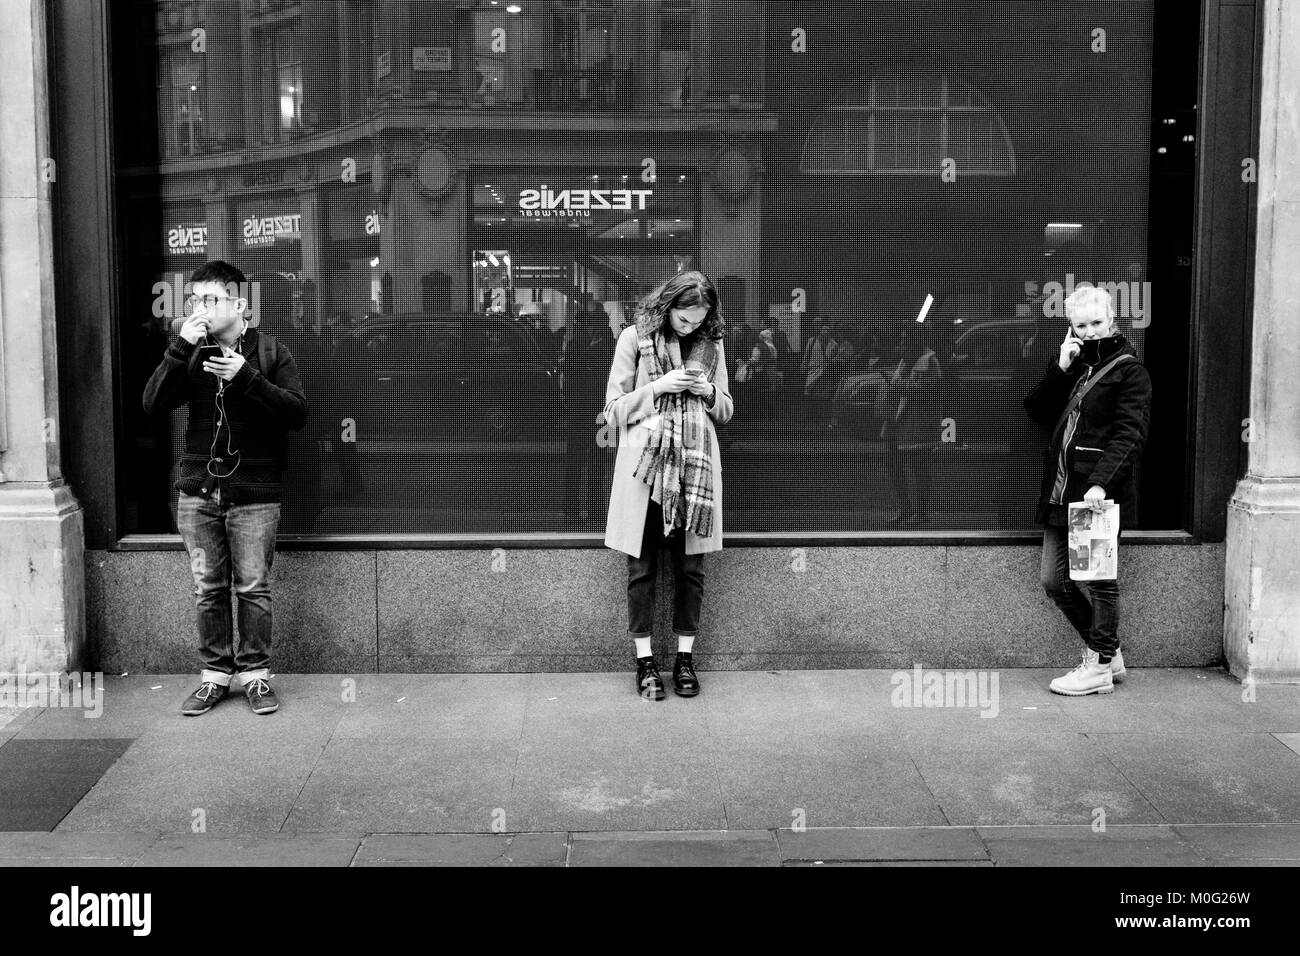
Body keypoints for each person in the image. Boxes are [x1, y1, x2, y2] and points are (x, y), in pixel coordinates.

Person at [142, 260, 308, 716]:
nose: (200, 308)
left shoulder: (271, 353)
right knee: (208, 588)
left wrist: (245, 376)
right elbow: (152, 404)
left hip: (255, 494)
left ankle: (255, 676)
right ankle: (214, 676)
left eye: (210, 300)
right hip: (199, 492)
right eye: (194, 300)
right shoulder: (190, 352)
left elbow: (297, 414)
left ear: (239, 304)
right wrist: (180, 348)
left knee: (253, 587)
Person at [602, 270, 733, 700]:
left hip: (694, 476)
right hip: (647, 473)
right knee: (642, 569)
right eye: (683, 318)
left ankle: (683, 659)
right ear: (668, 305)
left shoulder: (711, 346)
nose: (690, 326)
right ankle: (644, 663)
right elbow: (613, 410)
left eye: (698, 320)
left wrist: (708, 391)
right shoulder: (633, 340)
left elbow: (726, 409)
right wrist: (659, 387)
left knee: (690, 570)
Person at [1023, 284, 1152, 696]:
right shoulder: (1076, 364)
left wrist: (1100, 482)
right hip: (1062, 493)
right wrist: (1060, 368)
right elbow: (1037, 411)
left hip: (1095, 497)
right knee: (1053, 581)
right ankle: (1107, 652)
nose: (1091, 331)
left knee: (1099, 581)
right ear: (1071, 327)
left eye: (1097, 322)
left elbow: (1129, 435)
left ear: (1112, 320)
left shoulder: (1130, 370)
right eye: (1082, 325)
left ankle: (1098, 666)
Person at [884, 326, 943, 525]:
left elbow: (924, 392)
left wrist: (896, 383)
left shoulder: (930, 362)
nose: (901, 344)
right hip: (900, 419)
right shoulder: (906, 361)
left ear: (917, 341)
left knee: (919, 468)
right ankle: (905, 508)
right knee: (895, 465)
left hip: (920, 423)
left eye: (905, 339)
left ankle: (921, 512)